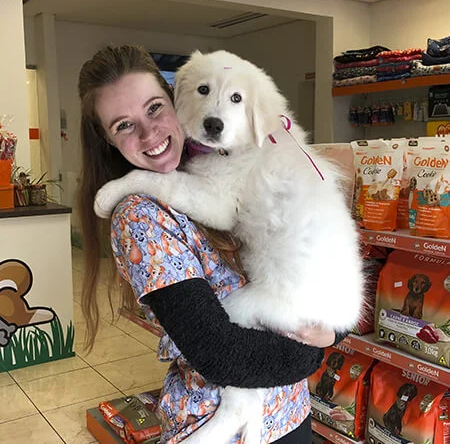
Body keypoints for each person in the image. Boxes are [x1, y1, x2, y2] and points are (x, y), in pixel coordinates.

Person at [78, 44, 347, 443]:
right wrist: (314, 353)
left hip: (288, 412)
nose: (150, 133)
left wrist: (332, 330)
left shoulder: (220, 156)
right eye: (123, 125)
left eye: (154, 108)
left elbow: (318, 251)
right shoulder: (139, 215)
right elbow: (218, 352)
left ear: (174, 100)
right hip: (215, 420)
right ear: (107, 139)